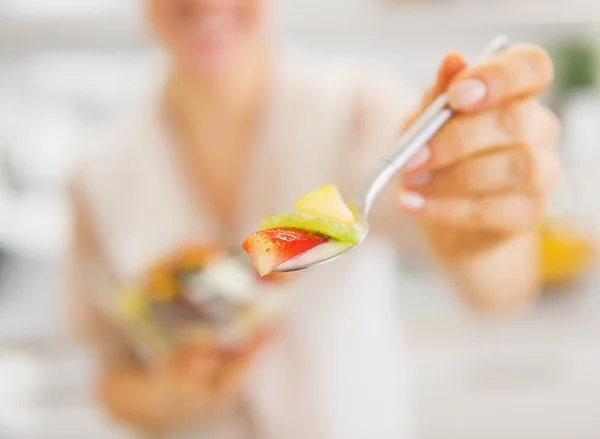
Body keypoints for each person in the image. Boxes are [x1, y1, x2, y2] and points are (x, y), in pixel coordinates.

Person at [66, 0, 561, 438]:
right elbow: (111, 375)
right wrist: (173, 398)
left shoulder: (358, 112)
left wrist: (480, 230)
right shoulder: (97, 170)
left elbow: (502, 294)